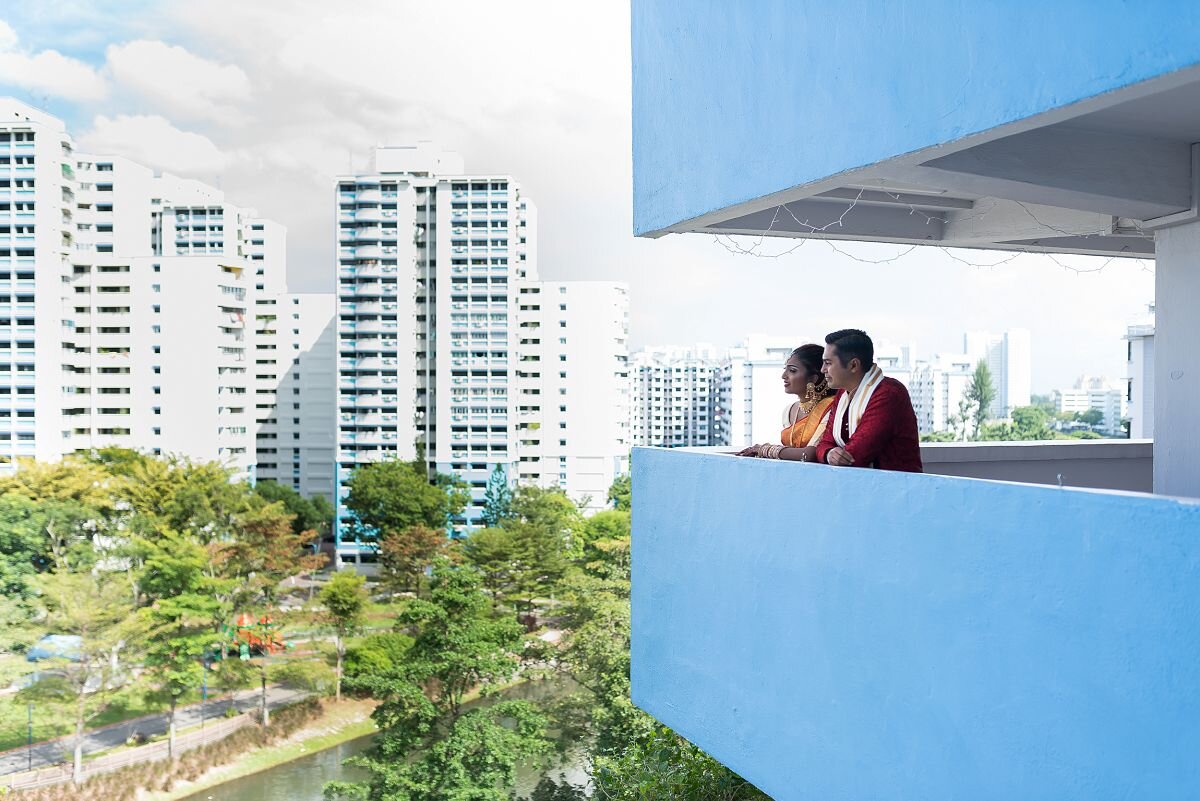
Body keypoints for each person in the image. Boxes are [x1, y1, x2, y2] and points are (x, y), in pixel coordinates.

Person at [815, 328, 923, 472]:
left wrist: (831, 453)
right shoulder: (843, 393)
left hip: (897, 487)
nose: (823, 369)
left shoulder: (889, 393)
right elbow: (824, 443)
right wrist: (829, 453)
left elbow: (857, 454)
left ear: (854, 365)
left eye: (828, 363)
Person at [737, 344, 836, 462]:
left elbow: (810, 454)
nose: (784, 376)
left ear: (813, 378)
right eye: (785, 369)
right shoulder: (789, 411)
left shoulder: (831, 408)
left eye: (792, 371)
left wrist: (764, 450)